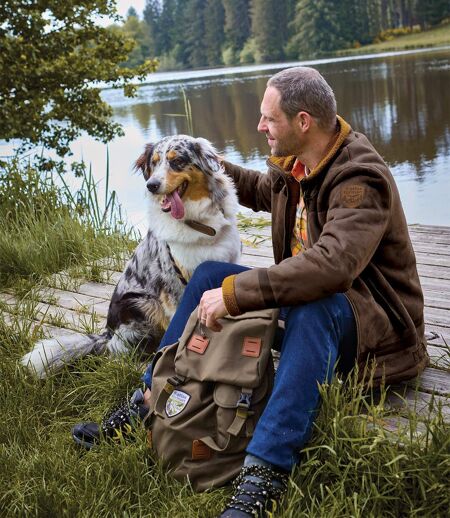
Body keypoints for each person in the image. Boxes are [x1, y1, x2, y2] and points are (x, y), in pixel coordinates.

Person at [72, 67, 428, 517]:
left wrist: (239, 293)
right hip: (313, 301)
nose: (259, 127)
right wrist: (200, 160)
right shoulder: (298, 164)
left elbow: (333, 267)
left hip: (375, 327)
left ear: (302, 121)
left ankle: (264, 473)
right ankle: (148, 399)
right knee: (209, 277)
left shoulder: (359, 179)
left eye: (268, 119)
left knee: (309, 305)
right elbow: (260, 189)